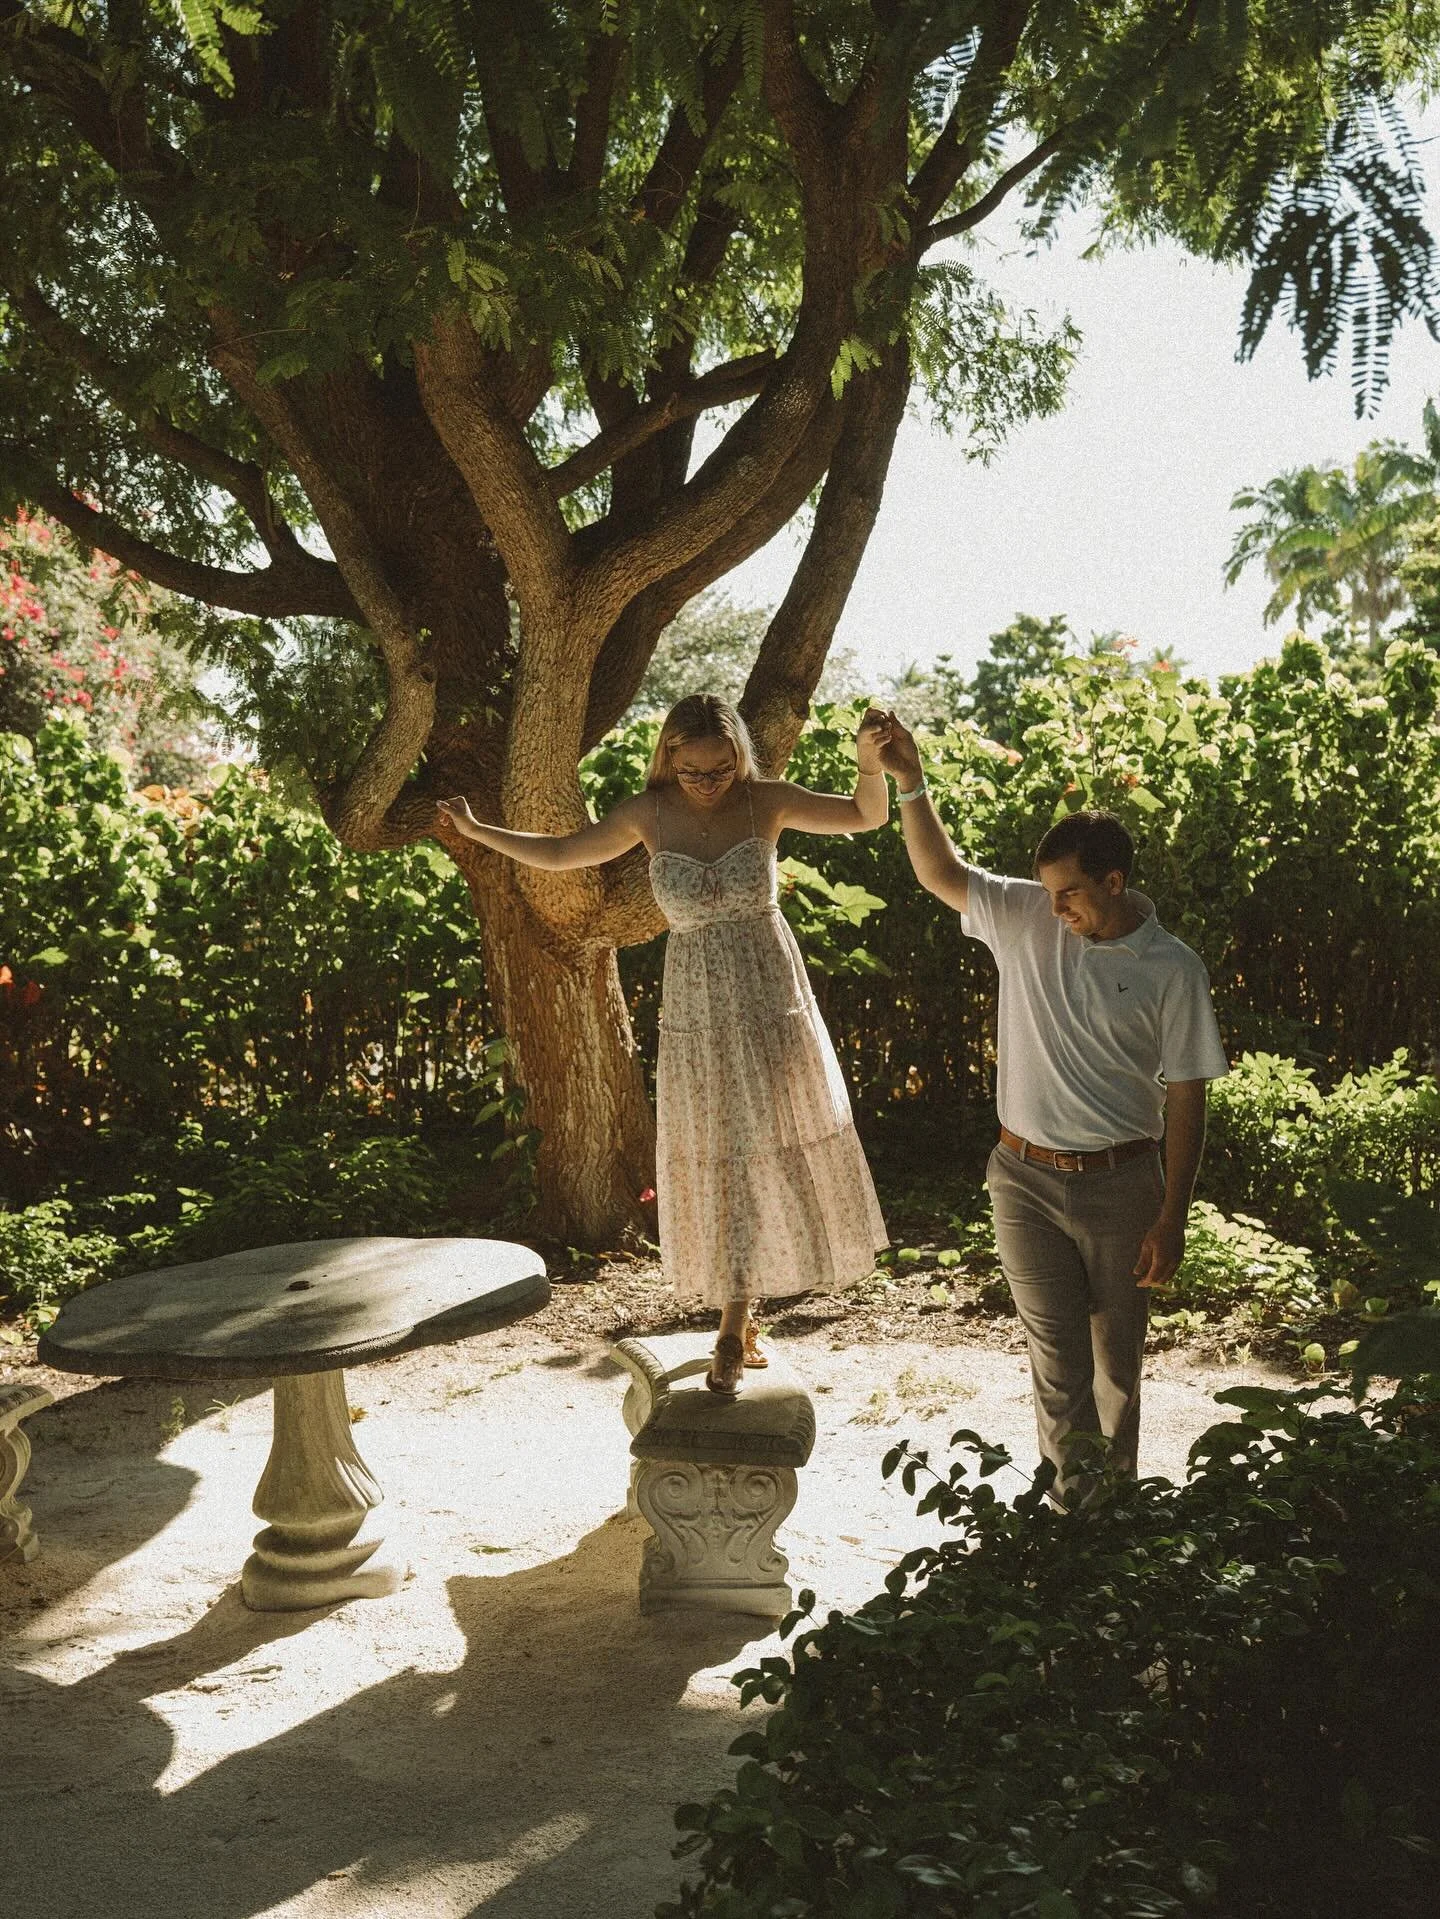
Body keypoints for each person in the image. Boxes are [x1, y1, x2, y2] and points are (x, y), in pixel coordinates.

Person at [437, 694, 890, 1395]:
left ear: (739, 756)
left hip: (768, 1000)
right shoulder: (647, 814)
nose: (707, 783)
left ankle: (736, 1322)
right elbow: (559, 853)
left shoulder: (765, 802)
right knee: (723, 1153)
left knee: (767, 1147)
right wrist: (477, 830)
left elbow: (866, 814)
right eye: (692, 771)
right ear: (668, 759)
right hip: (698, 1011)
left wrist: (868, 761)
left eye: (720, 769)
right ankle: (737, 1318)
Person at [876, 714, 1228, 1493]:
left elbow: (1187, 1100)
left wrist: (1172, 1215)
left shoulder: (1174, 968)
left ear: (1114, 882)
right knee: (1057, 1361)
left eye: (1068, 892)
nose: (1054, 907)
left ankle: (1113, 1520)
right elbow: (939, 871)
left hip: (1123, 1184)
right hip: (1023, 1179)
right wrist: (911, 782)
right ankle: (1073, 1524)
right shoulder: (1029, 917)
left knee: (1115, 1368)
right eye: (1047, 891)